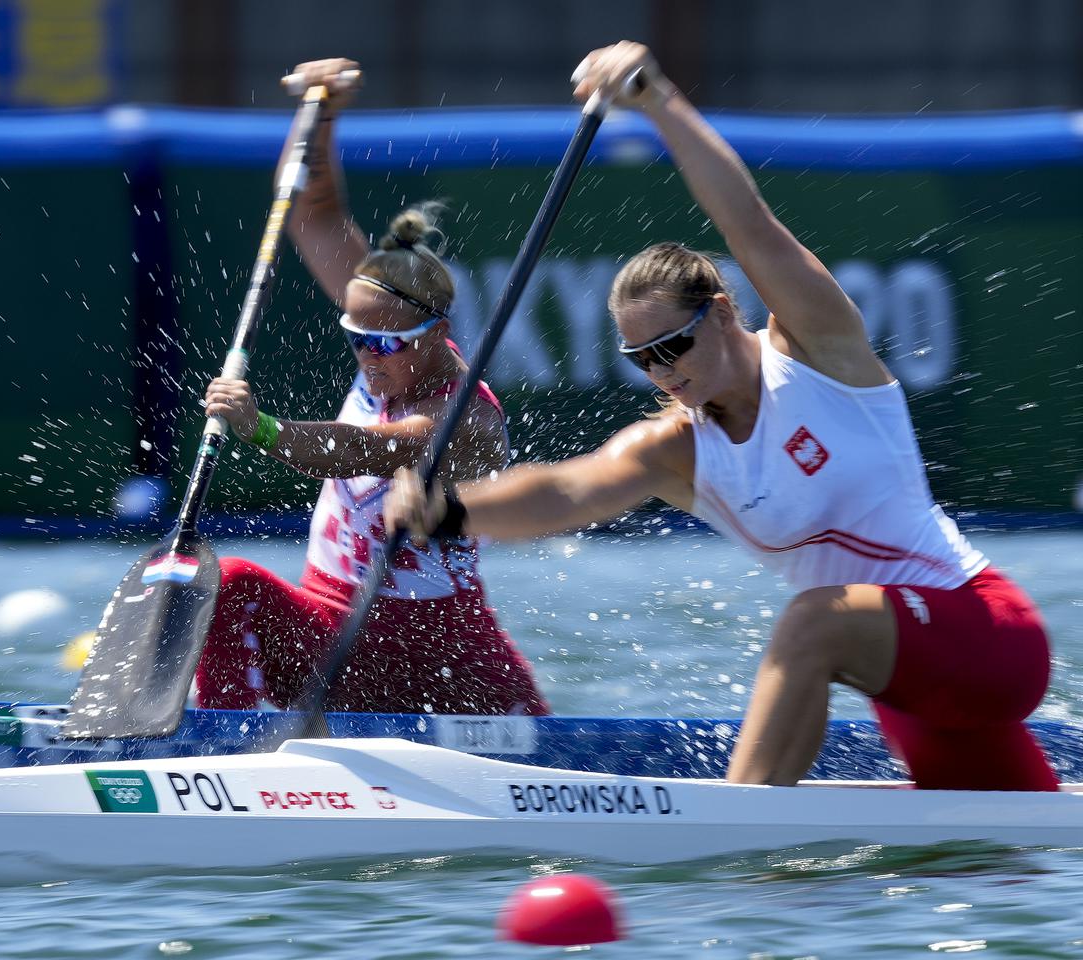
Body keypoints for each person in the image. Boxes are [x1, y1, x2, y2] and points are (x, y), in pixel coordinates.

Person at [387, 41, 1058, 790]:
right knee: (1004, 866)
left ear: (723, 311)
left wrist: (659, 102)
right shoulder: (677, 449)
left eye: (673, 344)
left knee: (812, 618)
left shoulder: (816, 352)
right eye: (643, 359)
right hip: (907, 686)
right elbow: (570, 490)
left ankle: (738, 830)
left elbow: (750, 223)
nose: (664, 371)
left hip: (987, 635)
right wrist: (448, 511)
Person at [194, 59, 548, 717]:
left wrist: (261, 428)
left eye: (384, 344)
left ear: (439, 333)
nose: (368, 356)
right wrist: (320, 115)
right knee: (224, 583)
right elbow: (315, 214)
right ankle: (222, 751)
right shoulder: (383, 325)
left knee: (566, 781)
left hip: (444, 653)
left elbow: (361, 449)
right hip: (330, 627)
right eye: (356, 337)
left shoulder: (467, 418)